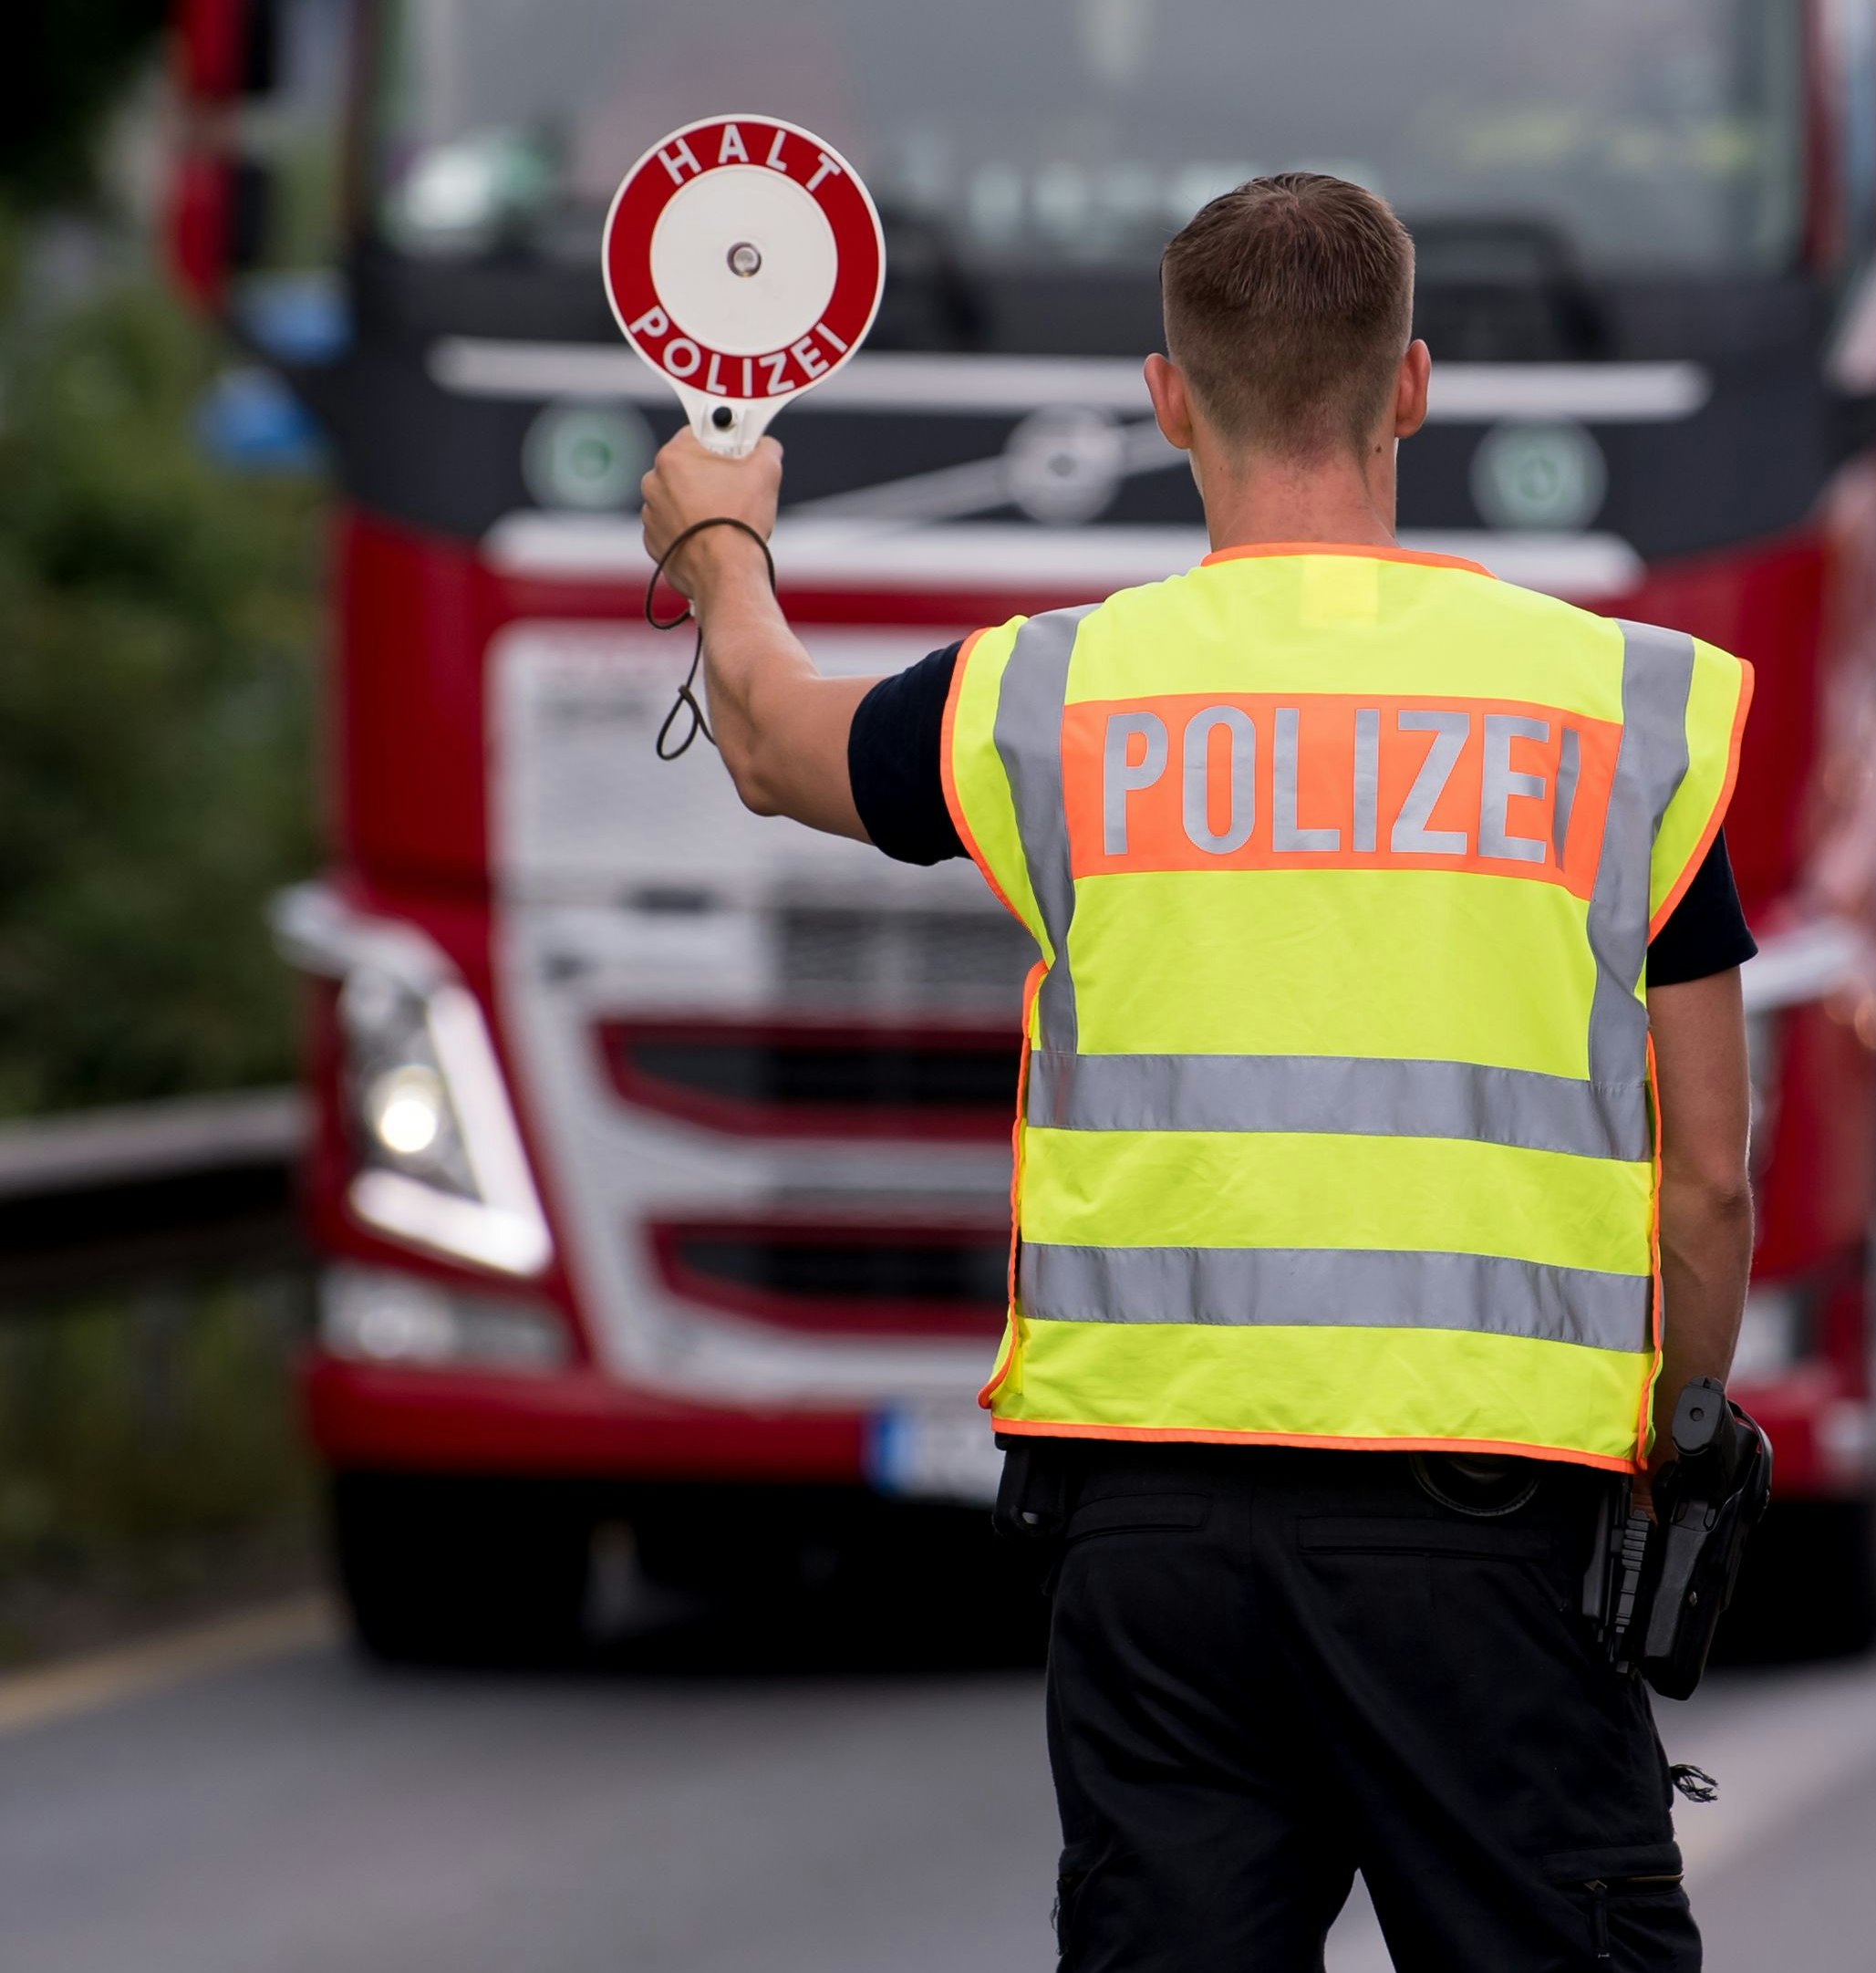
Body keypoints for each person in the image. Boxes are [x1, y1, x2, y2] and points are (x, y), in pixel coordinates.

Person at [639, 173, 1753, 1973]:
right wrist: (1672, 1450)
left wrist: (719, 542)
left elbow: (769, 738)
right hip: (1492, 1532)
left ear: (1168, 401)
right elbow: (1707, 1180)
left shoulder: (1054, 698)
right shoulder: (1618, 716)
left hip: (1152, 1545)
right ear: (1411, 387)